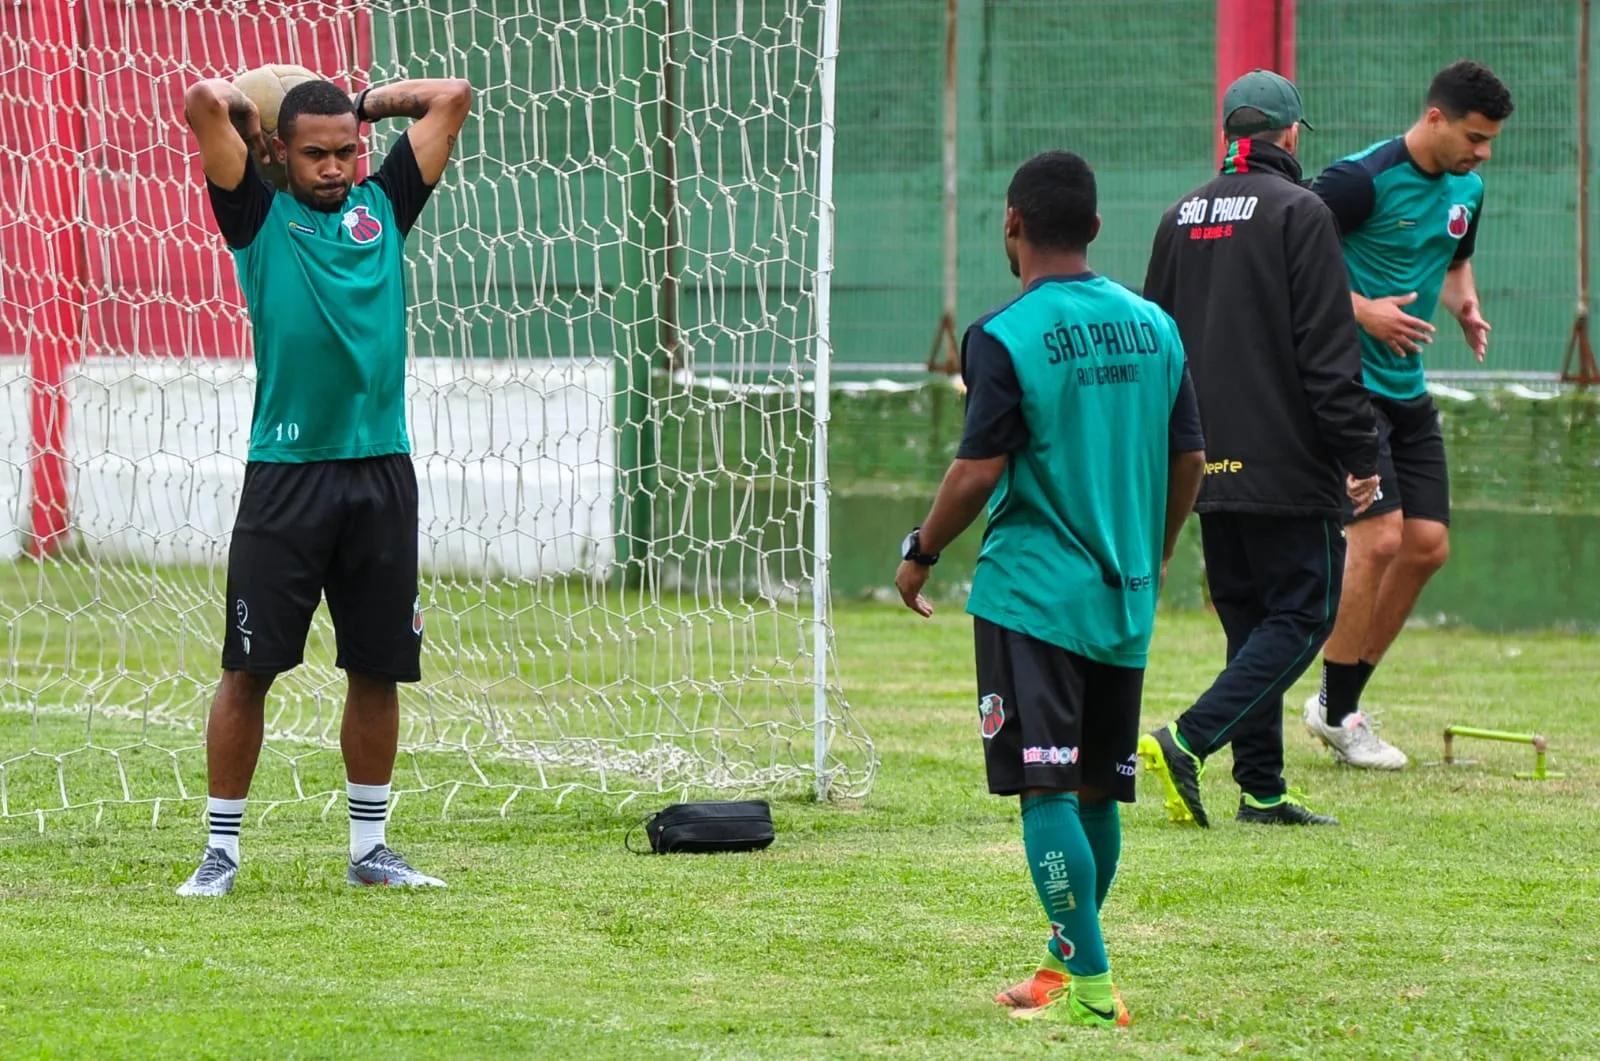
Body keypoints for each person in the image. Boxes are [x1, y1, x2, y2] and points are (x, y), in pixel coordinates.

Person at [893, 151, 1206, 1026]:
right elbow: (1188, 457)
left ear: (1011, 222)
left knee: (1045, 788)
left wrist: (921, 548)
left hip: (1033, 596)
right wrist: (1159, 546)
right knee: (1099, 787)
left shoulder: (1003, 335)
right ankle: (1063, 967)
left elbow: (976, 468)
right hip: (1124, 591)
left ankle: (1097, 988)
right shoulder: (1156, 325)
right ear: (1097, 230)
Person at [176, 72, 473, 896]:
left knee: (378, 669)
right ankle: (221, 854)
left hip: (382, 470)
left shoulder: (385, 207)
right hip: (285, 478)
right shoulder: (256, 215)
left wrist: (365, 102)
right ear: (278, 149)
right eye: (316, 153)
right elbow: (203, 101)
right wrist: (247, 110)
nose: (336, 166)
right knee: (249, 669)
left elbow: (451, 97)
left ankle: (371, 849)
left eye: (347, 151)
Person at [1137, 70, 1381, 829]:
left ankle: (1264, 792)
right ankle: (1187, 738)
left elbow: (1156, 345)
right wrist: (1360, 451)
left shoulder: (1179, 217)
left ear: (1228, 134)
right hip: (1285, 463)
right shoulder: (1301, 212)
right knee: (1304, 616)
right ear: (1290, 135)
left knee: (1251, 625)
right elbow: (1326, 350)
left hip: (1203, 462)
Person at [1302, 61, 1514, 768]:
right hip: (1349, 384)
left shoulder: (1468, 190)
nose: (1483, 152)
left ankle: (1341, 706)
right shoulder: (1358, 180)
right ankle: (1336, 708)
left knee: (1427, 546)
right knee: (1381, 537)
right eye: (1475, 137)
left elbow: (1451, 260)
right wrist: (1361, 309)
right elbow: (1287, 249)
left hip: (1408, 388)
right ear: (1434, 119)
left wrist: (1466, 305)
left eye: (1489, 142)